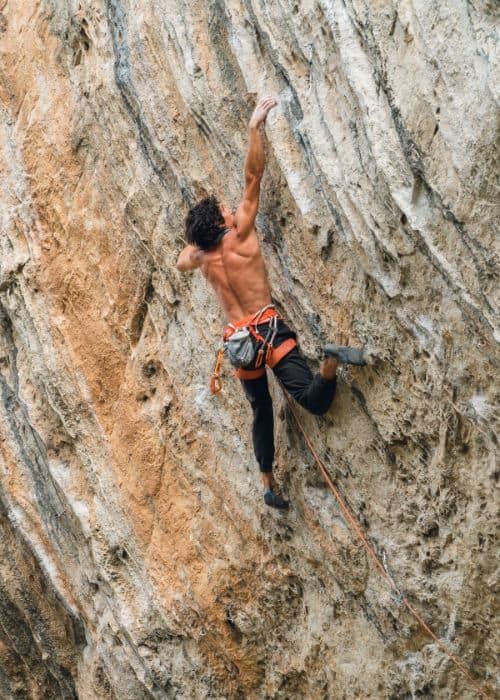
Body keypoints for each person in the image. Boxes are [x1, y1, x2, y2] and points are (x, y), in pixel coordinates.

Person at [176, 96, 365, 509]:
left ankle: (267, 482)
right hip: (269, 332)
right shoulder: (241, 232)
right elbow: (253, 176)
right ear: (223, 222)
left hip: (241, 345)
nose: (230, 207)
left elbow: (181, 260)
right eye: (224, 209)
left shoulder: (201, 258)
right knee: (313, 400)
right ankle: (330, 360)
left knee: (260, 410)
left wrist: (201, 236)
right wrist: (254, 128)